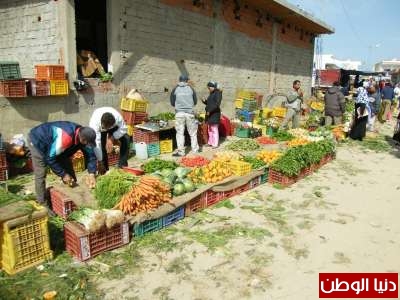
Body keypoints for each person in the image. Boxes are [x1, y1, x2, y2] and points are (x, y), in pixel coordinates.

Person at [27, 121, 97, 205]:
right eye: (87, 143)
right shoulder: (66, 137)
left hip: (56, 145)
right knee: (40, 173)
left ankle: (73, 197)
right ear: (82, 140)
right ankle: (42, 203)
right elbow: (50, 158)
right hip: (38, 141)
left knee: (67, 165)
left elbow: (90, 154)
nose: (87, 145)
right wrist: (63, 174)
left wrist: (92, 173)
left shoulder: (83, 134)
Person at [89, 107, 130, 174]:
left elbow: (123, 129)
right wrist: (100, 161)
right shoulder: (94, 124)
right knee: (102, 146)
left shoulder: (117, 118)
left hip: (113, 127)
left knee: (126, 138)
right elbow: (97, 143)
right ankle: (104, 169)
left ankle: (122, 166)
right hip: (100, 129)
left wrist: (112, 138)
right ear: (102, 123)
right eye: (106, 128)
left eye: (109, 127)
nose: (107, 129)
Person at [170, 75, 199, 156]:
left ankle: (181, 152)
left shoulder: (175, 89)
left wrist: (179, 105)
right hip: (190, 113)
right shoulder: (191, 89)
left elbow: (172, 102)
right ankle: (195, 150)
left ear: (179, 80)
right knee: (193, 133)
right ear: (187, 80)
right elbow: (195, 101)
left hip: (179, 113)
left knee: (180, 133)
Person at [202, 81, 222, 148]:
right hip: (209, 114)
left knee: (214, 129)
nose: (209, 89)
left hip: (214, 113)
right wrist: (205, 101)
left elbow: (217, 104)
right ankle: (210, 142)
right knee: (209, 129)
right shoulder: (212, 93)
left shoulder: (218, 93)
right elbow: (210, 103)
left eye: (209, 87)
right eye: (208, 88)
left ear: (213, 87)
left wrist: (209, 111)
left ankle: (215, 144)